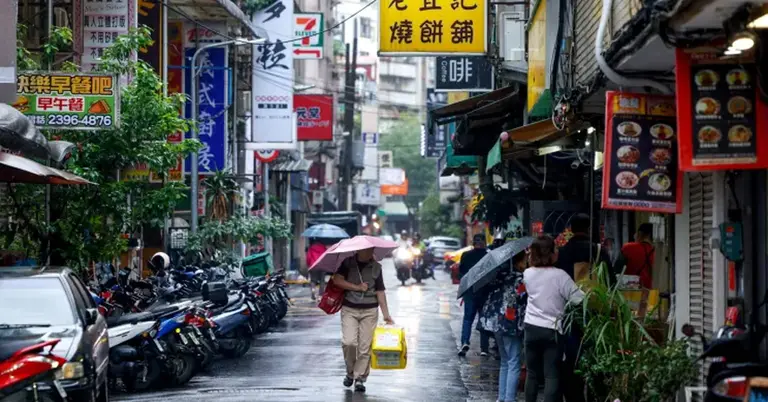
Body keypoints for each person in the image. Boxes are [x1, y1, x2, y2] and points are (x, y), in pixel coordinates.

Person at [555, 213, 610, 402]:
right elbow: (609, 281)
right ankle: (595, 394)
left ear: (570, 229)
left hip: (569, 312)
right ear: (589, 229)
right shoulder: (598, 250)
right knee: (594, 353)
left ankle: (573, 396)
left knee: (571, 357)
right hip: (595, 309)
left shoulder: (562, 252)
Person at [524, 235, 584, 402]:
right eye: (555, 249)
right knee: (551, 375)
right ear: (549, 253)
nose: (558, 251)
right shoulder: (560, 276)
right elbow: (579, 299)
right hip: (552, 329)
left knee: (532, 373)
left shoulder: (528, 273)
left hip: (530, 327)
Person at [331, 248, 394, 393]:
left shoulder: (377, 267)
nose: (370, 252)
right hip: (349, 309)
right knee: (349, 342)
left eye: (372, 250)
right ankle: (350, 372)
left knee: (365, 348)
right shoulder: (347, 263)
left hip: (370, 310)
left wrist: (386, 315)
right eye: (367, 250)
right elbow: (337, 280)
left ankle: (359, 378)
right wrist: (357, 287)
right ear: (359, 251)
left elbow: (380, 291)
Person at [478, 251, 528, 402]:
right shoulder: (520, 280)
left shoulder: (498, 277)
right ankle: (509, 399)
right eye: (525, 259)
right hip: (510, 323)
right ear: (519, 262)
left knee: (505, 361)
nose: (527, 262)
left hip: (495, 323)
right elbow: (523, 299)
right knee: (513, 362)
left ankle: (502, 397)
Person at [458, 233, 490, 356]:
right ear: (484, 243)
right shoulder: (488, 257)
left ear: (473, 242)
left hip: (470, 291)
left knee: (467, 319)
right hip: (484, 292)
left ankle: (465, 342)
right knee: (483, 320)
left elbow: (461, 273)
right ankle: (484, 348)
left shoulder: (465, 255)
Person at [613, 223, 655, 289]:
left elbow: (617, 269)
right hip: (648, 291)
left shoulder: (628, 248)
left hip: (629, 289)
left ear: (639, 234)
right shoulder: (654, 251)